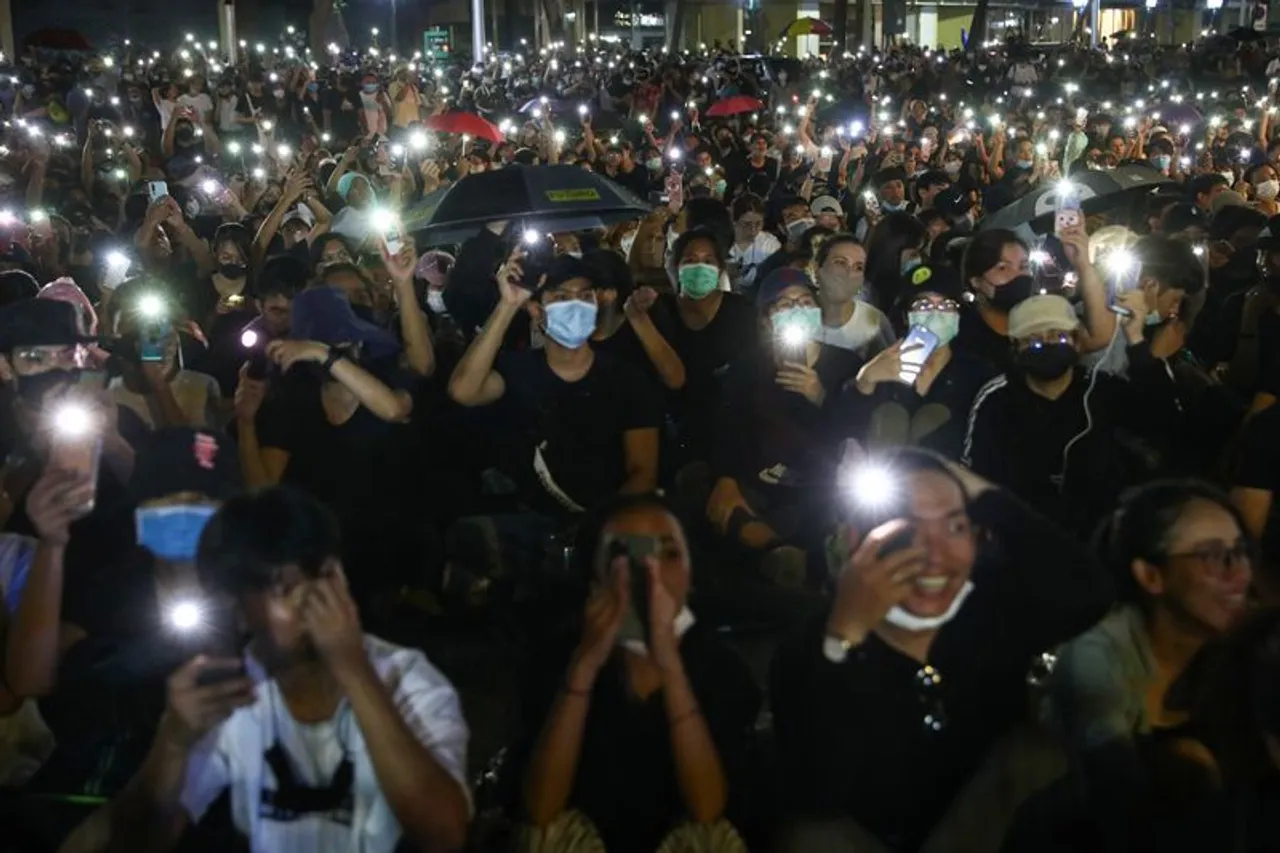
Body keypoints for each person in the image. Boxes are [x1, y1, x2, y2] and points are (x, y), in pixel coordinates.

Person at [59, 486, 471, 853]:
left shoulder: (409, 681)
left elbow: (444, 834)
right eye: (284, 590)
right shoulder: (232, 695)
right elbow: (144, 840)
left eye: (321, 579)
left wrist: (354, 670)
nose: (310, 604)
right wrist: (174, 740)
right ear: (238, 611)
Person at [771, 448, 1111, 853]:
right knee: (811, 839)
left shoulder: (989, 606)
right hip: (878, 839)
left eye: (955, 528)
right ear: (857, 542)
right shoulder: (813, 647)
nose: (934, 556)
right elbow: (819, 794)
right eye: (907, 531)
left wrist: (981, 493)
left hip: (986, 829)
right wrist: (845, 637)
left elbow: (1089, 594)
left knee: (1038, 756)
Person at [516, 494, 761, 853]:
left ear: (691, 574)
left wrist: (670, 668)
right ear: (594, 574)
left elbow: (708, 809)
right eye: (625, 554)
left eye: (669, 554)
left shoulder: (719, 667)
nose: (649, 572)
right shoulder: (558, 658)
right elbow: (540, 811)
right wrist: (583, 670)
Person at [1027, 480, 1251, 849]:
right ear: (1151, 576)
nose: (1238, 574)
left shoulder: (1244, 648)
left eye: (1240, 552)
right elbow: (1117, 805)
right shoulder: (1096, 659)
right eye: (1211, 555)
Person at [448, 252, 660, 521]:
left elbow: (643, 473)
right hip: (531, 530)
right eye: (561, 298)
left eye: (584, 296)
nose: (576, 305)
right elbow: (462, 391)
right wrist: (508, 305)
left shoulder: (627, 379)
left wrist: (596, 528)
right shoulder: (518, 371)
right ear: (537, 310)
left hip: (605, 527)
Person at [962, 294, 1181, 536]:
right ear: (1015, 348)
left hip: (1097, 541)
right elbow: (975, 477)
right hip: (1021, 542)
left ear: (1077, 342)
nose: (1047, 345)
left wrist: (1136, 339)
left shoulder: (1099, 390)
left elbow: (1164, 418)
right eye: (1033, 340)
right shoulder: (996, 399)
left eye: (1058, 336)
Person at [706, 269, 859, 583]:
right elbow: (730, 428)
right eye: (785, 305)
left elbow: (854, 431)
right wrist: (726, 478)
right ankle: (781, 557)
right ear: (767, 318)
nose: (797, 310)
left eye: (805, 301)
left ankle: (805, 566)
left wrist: (819, 396)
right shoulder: (748, 365)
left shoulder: (846, 365)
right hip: (763, 483)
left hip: (827, 484)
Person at [842, 264, 999, 460]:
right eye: (923, 306)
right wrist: (864, 381)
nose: (935, 313)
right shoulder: (878, 368)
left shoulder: (978, 373)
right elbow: (844, 431)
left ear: (959, 316)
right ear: (906, 316)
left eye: (946, 305)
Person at [663, 229, 757, 466]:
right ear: (676, 266)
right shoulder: (661, 310)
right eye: (690, 260)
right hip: (673, 427)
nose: (699, 267)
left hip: (730, 428)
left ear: (720, 269)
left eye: (708, 261)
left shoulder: (741, 311)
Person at [812, 234, 895, 358]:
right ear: (817, 268)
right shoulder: (795, 315)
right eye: (840, 263)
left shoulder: (874, 320)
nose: (848, 273)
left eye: (858, 267)